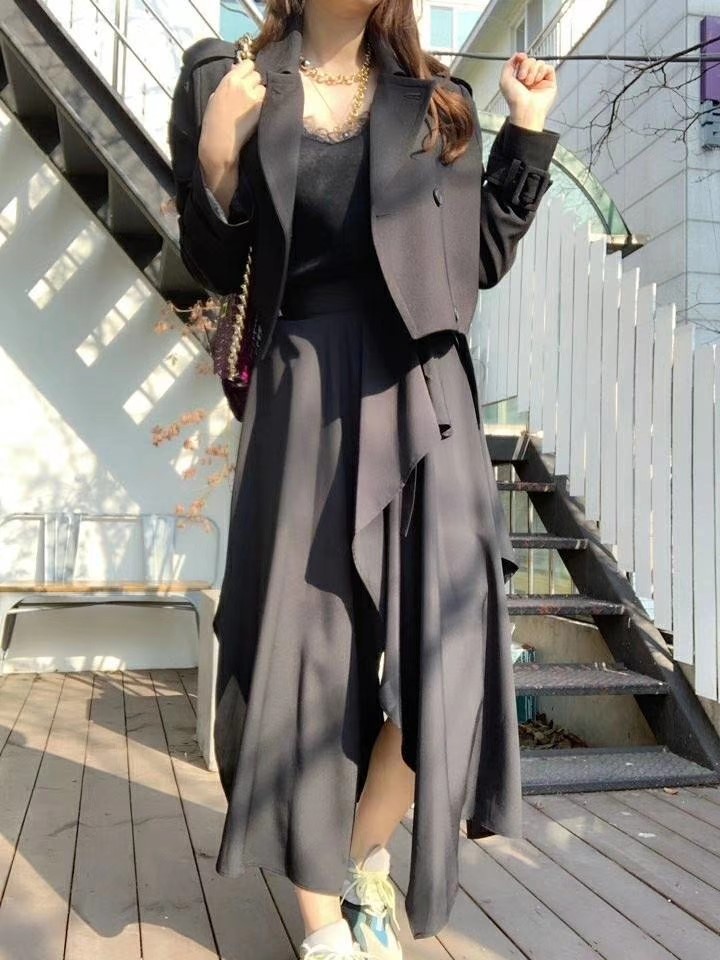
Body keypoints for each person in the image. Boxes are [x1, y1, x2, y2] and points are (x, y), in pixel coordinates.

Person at [174, 2, 558, 958]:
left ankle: (358, 855)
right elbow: (215, 265)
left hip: (425, 400)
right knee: (304, 663)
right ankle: (323, 932)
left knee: (451, 656)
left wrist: (526, 134)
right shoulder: (230, 79)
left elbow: (477, 259)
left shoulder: (438, 102)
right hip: (304, 397)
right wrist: (218, 157)